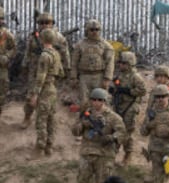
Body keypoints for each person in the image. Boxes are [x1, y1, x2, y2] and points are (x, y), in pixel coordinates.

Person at [70, 88, 125, 183]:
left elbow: (122, 132)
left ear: (104, 101)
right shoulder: (85, 114)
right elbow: (75, 131)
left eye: (99, 100)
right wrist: (83, 125)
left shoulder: (112, 117)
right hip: (87, 153)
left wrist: (112, 137)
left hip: (104, 155)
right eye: (94, 99)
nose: (96, 102)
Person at [20, 12, 70, 128]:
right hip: (35, 70)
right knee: (31, 95)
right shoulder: (34, 37)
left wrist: (67, 69)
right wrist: (24, 65)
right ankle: (27, 117)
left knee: (49, 96)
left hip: (51, 71)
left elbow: (65, 54)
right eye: (41, 23)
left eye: (47, 23)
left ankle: (49, 120)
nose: (44, 25)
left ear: (52, 23)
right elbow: (28, 52)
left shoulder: (58, 38)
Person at [27, 26, 66, 157]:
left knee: (41, 120)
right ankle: (49, 147)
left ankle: (39, 149)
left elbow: (40, 77)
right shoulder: (56, 54)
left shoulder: (44, 55)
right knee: (51, 119)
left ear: (42, 39)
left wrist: (35, 94)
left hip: (44, 89)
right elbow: (61, 72)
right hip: (53, 89)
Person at [108, 51, 147, 164]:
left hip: (130, 106)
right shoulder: (120, 75)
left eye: (123, 63)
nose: (120, 65)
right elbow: (114, 87)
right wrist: (113, 90)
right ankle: (112, 154)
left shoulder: (135, 77)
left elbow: (142, 91)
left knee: (127, 131)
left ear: (129, 64)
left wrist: (128, 91)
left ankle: (128, 155)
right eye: (120, 63)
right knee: (116, 129)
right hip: (118, 105)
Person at [73, 19, 115, 99]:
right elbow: (74, 62)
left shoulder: (106, 46)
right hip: (84, 77)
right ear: (87, 31)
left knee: (100, 100)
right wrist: (74, 77)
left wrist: (107, 78)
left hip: (99, 76)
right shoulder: (80, 45)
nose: (94, 32)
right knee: (84, 101)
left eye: (97, 30)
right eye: (92, 30)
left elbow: (110, 63)